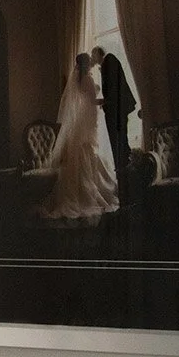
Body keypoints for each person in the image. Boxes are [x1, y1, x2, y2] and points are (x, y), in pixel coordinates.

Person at [40, 52, 119, 224]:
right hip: (89, 118)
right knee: (87, 150)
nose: (91, 62)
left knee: (85, 151)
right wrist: (108, 100)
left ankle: (83, 187)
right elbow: (92, 101)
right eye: (89, 61)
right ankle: (87, 191)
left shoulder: (78, 79)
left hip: (84, 118)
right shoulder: (88, 79)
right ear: (86, 63)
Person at [91, 45, 137, 190]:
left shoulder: (109, 61)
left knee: (119, 144)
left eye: (93, 55)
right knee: (119, 144)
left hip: (116, 112)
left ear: (98, 54)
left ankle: (125, 182)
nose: (92, 58)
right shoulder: (108, 63)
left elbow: (113, 89)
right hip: (116, 110)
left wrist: (105, 102)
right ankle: (125, 180)